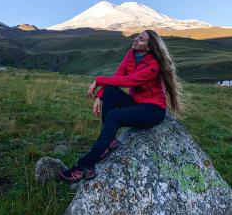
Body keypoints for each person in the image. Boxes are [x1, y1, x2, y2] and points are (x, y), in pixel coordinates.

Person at [59, 29, 184, 183]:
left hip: (153, 110)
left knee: (114, 116)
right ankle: (108, 142)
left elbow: (129, 81)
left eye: (142, 39)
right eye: (138, 36)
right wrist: (100, 96)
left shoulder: (153, 66)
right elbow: (118, 76)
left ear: (149, 47)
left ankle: (86, 166)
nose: (136, 39)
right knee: (111, 90)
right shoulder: (132, 53)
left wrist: (99, 81)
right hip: (136, 102)